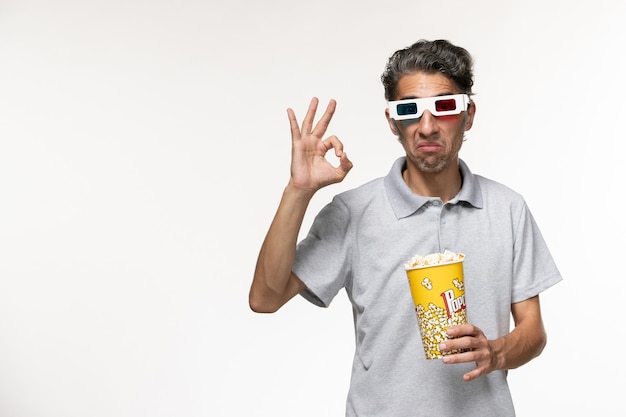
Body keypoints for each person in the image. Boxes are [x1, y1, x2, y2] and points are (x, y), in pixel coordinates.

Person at [249, 39, 562, 416]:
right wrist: (298, 191)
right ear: (392, 121)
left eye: (444, 107)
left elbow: (533, 331)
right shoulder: (354, 212)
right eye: (410, 110)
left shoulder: (508, 209)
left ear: (469, 115)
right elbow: (265, 299)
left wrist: (496, 352)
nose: (427, 127)